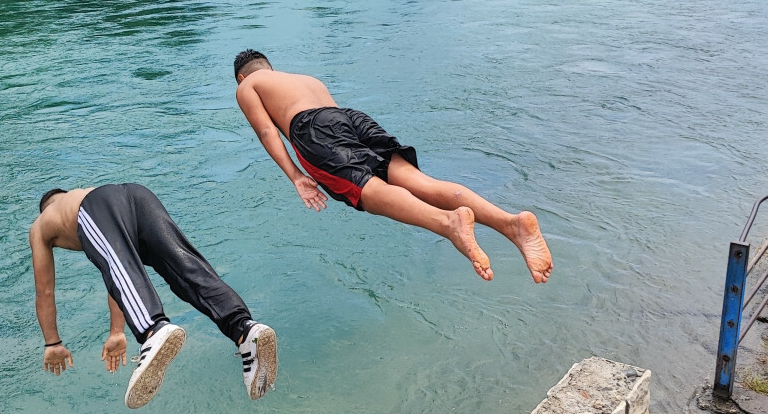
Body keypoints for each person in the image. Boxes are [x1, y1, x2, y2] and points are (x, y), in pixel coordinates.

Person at [232, 49, 553, 283]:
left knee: (367, 191)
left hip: (313, 129)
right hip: (349, 117)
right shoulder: (305, 80)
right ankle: (511, 223)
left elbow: (267, 131)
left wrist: (296, 177)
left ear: (243, 76)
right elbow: (330, 117)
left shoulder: (247, 85)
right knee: (420, 182)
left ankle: (448, 223)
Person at [29, 183, 277, 409]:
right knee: (185, 270)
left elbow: (45, 291)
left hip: (100, 205)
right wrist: (116, 332)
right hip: (139, 195)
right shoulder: (79, 195)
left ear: (46, 206)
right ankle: (244, 329)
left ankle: (152, 330)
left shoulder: (43, 223)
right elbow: (117, 274)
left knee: (125, 273)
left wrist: (53, 343)